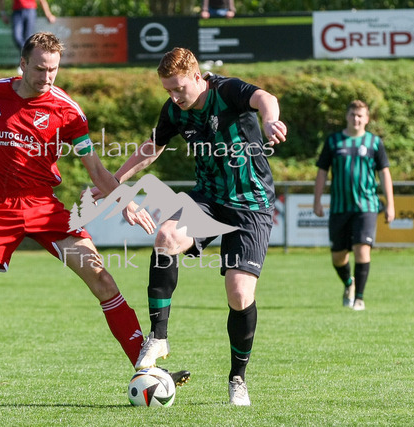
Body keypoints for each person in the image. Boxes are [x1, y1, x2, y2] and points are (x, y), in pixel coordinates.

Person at [0, 32, 187, 410]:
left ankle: (149, 370)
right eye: (39, 69)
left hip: (45, 209)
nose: (47, 77)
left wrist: (125, 202)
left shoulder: (67, 111)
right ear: (23, 64)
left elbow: (95, 169)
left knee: (102, 279)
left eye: (53, 69)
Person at [95, 47, 287, 406]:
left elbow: (265, 98)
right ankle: (158, 337)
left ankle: (237, 378)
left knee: (239, 294)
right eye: (167, 90)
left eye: (179, 88)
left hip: (251, 204)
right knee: (166, 237)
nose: (174, 96)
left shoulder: (226, 91)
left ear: (197, 77)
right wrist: (114, 181)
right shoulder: (174, 110)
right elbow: (152, 147)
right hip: (208, 199)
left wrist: (270, 121)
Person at [313, 99, 395, 311]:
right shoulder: (333, 141)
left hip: (366, 206)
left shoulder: (374, 142)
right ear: (347, 116)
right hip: (339, 207)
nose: (356, 119)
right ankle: (349, 283)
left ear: (367, 119)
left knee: (362, 249)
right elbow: (322, 172)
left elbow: (384, 173)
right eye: (352, 114)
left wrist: (391, 204)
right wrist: (317, 200)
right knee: (338, 257)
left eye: (360, 115)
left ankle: (359, 298)